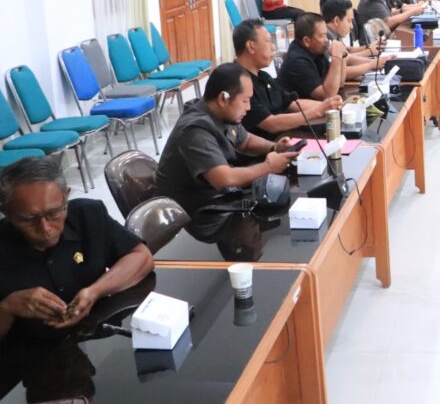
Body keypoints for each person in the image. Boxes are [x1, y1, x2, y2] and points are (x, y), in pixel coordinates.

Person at [0, 158, 154, 341]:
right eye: (28, 219)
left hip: (94, 340)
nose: (45, 228)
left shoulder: (87, 215)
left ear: (66, 196)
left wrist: (95, 291)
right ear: (6, 212)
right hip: (29, 356)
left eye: (54, 213)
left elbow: (141, 257)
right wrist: (7, 308)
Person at [154, 64, 299, 214]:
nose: (248, 107)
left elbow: (245, 141)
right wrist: (269, 166)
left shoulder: (221, 113)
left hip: (213, 199)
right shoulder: (195, 130)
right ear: (223, 98)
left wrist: (274, 147)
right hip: (189, 213)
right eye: (244, 101)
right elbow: (225, 179)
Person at [232, 19, 344, 140]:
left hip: (281, 140)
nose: (273, 47)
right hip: (258, 153)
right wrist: (318, 110)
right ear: (251, 47)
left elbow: (293, 103)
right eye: (268, 41)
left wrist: (331, 106)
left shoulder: (263, 77)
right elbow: (271, 124)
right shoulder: (236, 82)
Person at [277, 13, 349, 101]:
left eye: (326, 34)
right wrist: (336, 58)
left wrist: (342, 56)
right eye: (322, 35)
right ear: (306, 41)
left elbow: (340, 84)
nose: (326, 40)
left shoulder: (316, 51)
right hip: (296, 112)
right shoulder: (298, 61)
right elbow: (327, 96)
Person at [320, 0, 392, 80]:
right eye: (349, 21)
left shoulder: (333, 35)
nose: (352, 27)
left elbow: (348, 57)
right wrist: (371, 64)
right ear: (336, 21)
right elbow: (340, 73)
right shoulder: (326, 39)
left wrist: (380, 62)